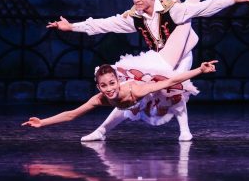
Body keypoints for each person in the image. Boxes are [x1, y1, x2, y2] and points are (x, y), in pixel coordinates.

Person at [46, 0, 249, 141]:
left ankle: (185, 130)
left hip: (182, 52)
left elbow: (204, 8)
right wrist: (73, 26)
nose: (136, 0)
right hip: (160, 56)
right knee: (125, 96)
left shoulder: (170, 10)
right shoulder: (135, 17)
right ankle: (101, 130)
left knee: (176, 83)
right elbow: (105, 24)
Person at [22, 22, 218, 130]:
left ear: (118, 81)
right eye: (104, 86)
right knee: (124, 108)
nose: (109, 89)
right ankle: (101, 132)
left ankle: (181, 1)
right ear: (99, 88)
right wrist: (43, 122)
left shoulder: (136, 88)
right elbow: (72, 114)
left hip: (154, 70)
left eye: (111, 84)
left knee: (183, 36)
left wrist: (200, 70)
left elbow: (170, 81)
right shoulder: (99, 99)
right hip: (135, 97)